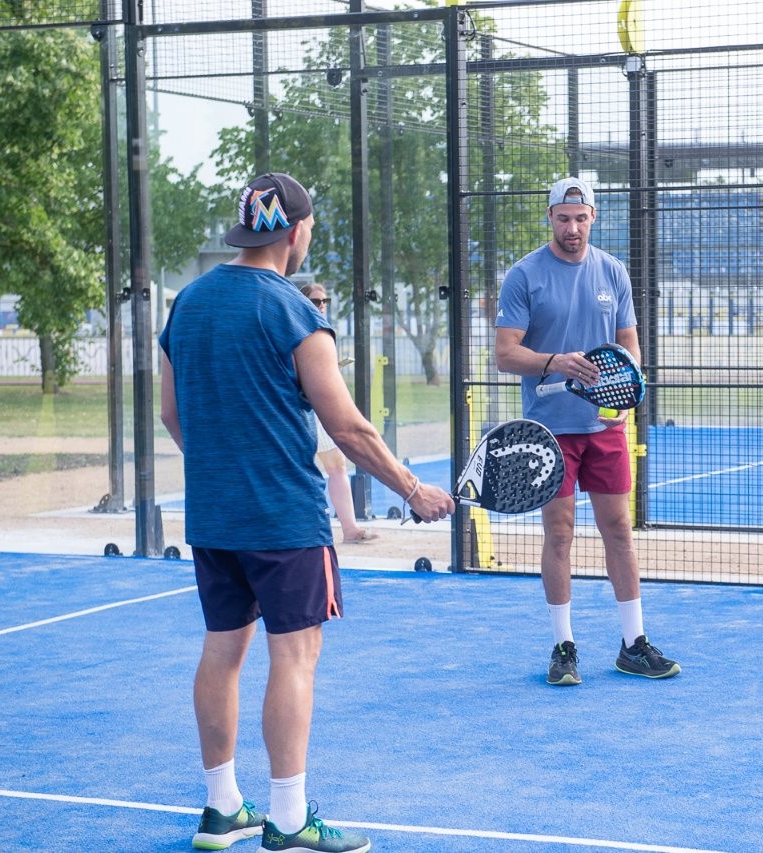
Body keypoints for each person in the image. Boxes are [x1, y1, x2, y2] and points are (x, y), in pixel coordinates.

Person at [160, 172, 454, 852]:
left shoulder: (187, 304)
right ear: (296, 231)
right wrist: (413, 489)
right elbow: (348, 428)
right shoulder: (294, 311)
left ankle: (222, 808)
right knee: (294, 656)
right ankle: (289, 819)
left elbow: (173, 414)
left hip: (213, 516)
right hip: (285, 519)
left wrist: (224, 466)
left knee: (222, 650)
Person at [494, 176, 680, 687]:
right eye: (563, 218)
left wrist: (624, 393)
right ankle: (564, 647)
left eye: (580, 218)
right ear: (550, 218)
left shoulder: (612, 271)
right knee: (559, 533)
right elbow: (505, 353)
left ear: (593, 217)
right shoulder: (524, 275)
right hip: (549, 432)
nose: (572, 228)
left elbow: (629, 344)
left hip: (605, 427)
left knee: (618, 529)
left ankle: (633, 644)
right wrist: (555, 361)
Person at [299, 283, 379, 545]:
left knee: (336, 466)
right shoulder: (302, 328)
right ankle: (325, 529)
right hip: (307, 408)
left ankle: (349, 528)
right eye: (316, 301)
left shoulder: (320, 330)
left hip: (320, 406)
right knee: (313, 469)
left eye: (325, 301)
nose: (321, 305)